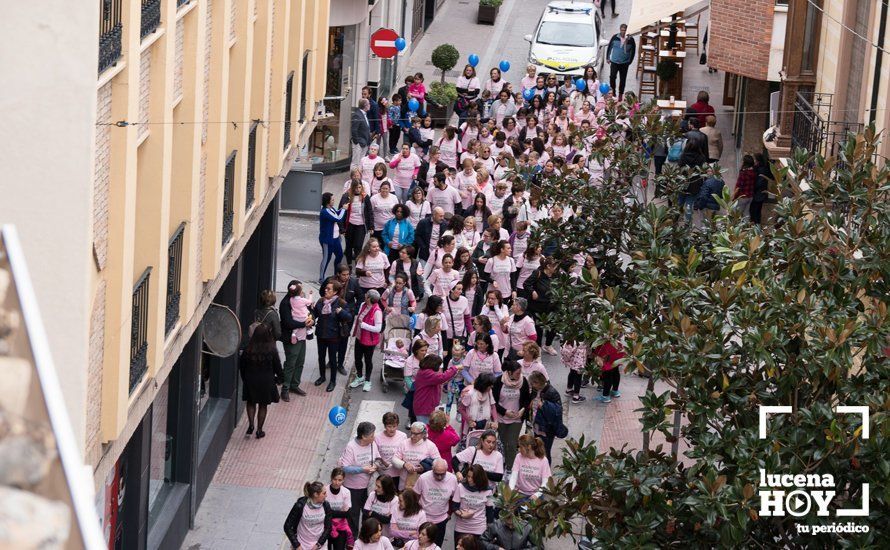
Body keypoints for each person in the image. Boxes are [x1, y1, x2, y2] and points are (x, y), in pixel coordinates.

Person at [239, 324, 282, 439]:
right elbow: (277, 366)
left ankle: (251, 425)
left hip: (251, 379)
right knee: (263, 405)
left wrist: (245, 379)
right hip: (266, 381)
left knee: (251, 402)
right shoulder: (272, 349)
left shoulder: (248, 349)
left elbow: (242, 366)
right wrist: (280, 379)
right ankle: (259, 430)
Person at [339, 422, 381, 536]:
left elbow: (378, 458)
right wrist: (362, 469)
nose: (374, 437)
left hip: (368, 487)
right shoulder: (351, 447)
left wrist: (375, 466)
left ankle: (366, 538)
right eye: (372, 435)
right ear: (363, 436)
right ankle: (352, 541)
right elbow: (345, 468)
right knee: (353, 515)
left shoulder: (372, 444)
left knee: (368, 514)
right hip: (353, 488)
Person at [312, 280, 353, 392]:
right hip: (321, 334)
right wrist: (310, 312)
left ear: (335, 292)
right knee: (321, 357)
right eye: (326, 288)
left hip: (334, 335)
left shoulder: (341, 303)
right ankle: (322, 377)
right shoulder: (321, 301)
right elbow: (314, 314)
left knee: (332, 359)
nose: (325, 290)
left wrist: (341, 312)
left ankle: (332, 381)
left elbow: (349, 317)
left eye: (329, 289)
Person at [493, 360, 530, 470]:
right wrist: (505, 412)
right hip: (501, 417)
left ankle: (511, 468)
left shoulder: (523, 381)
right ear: (509, 372)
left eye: (520, 372)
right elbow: (493, 401)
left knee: (512, 444)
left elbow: (527, 399)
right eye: (517, 373)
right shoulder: (499, 381)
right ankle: (502, 464)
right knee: (503, 443)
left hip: (516, 419)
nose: (519, 375)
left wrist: (522, 410)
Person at [413, 459, 458, 547]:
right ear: (432, 469)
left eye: (442, 474)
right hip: (424, 518)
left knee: (436, 546)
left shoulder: (452, 479)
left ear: (447, 470)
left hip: (441, 520)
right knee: (420, 545)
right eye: (437, 474)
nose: (439, 477)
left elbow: (455, 498)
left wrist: (449, 513)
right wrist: (417, 513)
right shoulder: (423, 478)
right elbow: (416, 496)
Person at [279, 282, 312, 399]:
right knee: (290, 364)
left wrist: (310, 319)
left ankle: (294, 385)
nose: (302, 291)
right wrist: (304, 323)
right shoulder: (285, 303)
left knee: (300, 362)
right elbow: (288, 323)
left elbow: (308, 311)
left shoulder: (298, 300)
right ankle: (285, 389)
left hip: (302, 337)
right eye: (300, 288)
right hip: (291, 338)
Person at [350, 290, 383, 392]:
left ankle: (368, 381)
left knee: (368, 360)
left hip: (370, 341)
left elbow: (378, 329)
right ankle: (360, 377)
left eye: (366, 294)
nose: (364, 295)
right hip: (359, 338)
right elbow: (359, 318)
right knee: (357, 358)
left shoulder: (377, 311)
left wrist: (364, 325)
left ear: (369, 298)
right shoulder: (363, 305)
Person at [392, 422, 441, 490]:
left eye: (415, 434)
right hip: (404, 483)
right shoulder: (404, 443)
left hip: (422, 483)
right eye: (411, 433)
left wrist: (424, 467)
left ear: (423, 434)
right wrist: (404, 464)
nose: (412, 436)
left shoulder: (430, 445)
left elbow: (438, 463)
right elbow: (394, 459)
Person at [284, 481, 333, 549]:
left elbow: (328, 527)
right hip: (302, 545)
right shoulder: (300, 506)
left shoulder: (326, 505)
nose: (326, 495)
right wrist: (297, 545)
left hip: (319, 545)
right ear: (316, 494)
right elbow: (287, 526)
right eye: (324, 493)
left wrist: (319, 544)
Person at [412, 355, 461, 423]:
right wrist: (455, 368)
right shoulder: (427, 373)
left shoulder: (425, 371)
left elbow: (440, 380)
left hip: (426, 406)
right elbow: (442, 377)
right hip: (423, 407)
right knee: (425, 430)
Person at [451, 464, 493, 541]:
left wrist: (490, 530)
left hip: (479, 528)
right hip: (461, 528)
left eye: (473, 478)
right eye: (468, 476)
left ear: (479, 478)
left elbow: (490, 511)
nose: (469, 480)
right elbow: (454, 506)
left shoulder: (488, 491)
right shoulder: (461, 487)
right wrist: (461, 514)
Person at [527, 371, 563, 462]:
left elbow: (557, 411)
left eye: (533, 383)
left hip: (547, 428)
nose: (532, 386)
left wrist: (544, 406)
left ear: (538, 382)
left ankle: (546, 473)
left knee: (545, 451)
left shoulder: (551, 392)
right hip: (536, 425)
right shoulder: (536, 390)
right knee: (537, 449)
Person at [508, 434, 552, 500]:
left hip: (536, 495)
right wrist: (510, 491)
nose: (519, 450)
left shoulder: (543, 460)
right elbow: (514, 476)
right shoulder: (518, 457)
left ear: (528, 447)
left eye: (521, 447)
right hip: (520, 494)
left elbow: (545, 482)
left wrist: (537, 495)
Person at [340, 178, 372, 267]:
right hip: (349, 224)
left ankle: (358, 266)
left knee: (358, 246)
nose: (358, 189)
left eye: (359, 187)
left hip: (361, 225)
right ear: (352, 187)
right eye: (356, 187)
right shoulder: (346, 196)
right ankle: (349, 264)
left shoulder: (365, 197)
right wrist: (341, 228)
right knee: (349, 245)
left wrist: (371, 226)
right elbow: (341, 212)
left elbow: (369, 211)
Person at [319, 192, 346, 283]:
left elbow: (336, 213)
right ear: (328, 201)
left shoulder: (331, 209)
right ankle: (321, 278)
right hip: (327, 239)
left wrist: (342, 209)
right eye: (332, 199)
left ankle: (336, 275)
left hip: (335, 238)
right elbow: (338, 218)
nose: (334, 201)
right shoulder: (325, 211)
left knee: (340, 255)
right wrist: (344, 210)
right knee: (327, 258)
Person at [375, 413, 408, 486]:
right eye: (389, 426)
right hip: (384, 473)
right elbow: (375, 454)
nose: (392, 429)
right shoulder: (377, 437)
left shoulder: (403, 436)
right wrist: (383, 462)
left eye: (394, 426)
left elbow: (405, 452)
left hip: (399, 473)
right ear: (384, 426)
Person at [327, 468, 354, 550]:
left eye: (340, 480)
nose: (337, 483)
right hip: (327, 525)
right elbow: (324, 512)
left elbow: (346, 513)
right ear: (331, 478)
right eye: (335, 479)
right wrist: (340, 512)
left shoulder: (346, 492)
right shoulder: (325, 490)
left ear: (343, 480)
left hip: (341, 526)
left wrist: (331, 512)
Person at [606, 24, 635, 97]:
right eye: (622, 30)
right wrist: (608, 57)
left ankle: (621, 94)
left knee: (623, 79)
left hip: (624, 63)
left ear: (627, 31)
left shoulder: (631, 39)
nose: (623, 32)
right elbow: (610, 47)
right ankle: (613, 92)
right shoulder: (615, 37)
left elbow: (633, 51)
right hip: (614, 61)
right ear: (620, 30)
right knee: (612, 77)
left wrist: (629, 61)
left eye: (624, 30)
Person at [732, 154, 756, 218]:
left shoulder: (743, 173)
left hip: (742, 197)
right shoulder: (753, 172)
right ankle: (746, 226)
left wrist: (734, 197)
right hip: (750, 196)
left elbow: (739, 186)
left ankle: (735, 227)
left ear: (745, 163)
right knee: (746, 214)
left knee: (736, 214)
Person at [750, 153, 771, 225]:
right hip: (758, 194)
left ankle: (756, 227)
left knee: (755, 212)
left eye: (754, 160)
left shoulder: (761, 170)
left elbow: (759, 183)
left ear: (758, 161)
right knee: (756, 211)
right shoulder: (759, 168)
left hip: (758, 195)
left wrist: (752, 187)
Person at [352, 98, 373, 169]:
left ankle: (359, 177)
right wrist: (357, 142)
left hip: (364, 142)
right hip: (359, 143)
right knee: (355, 162)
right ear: (365, 105)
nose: (370, 105)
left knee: (361, 162)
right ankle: (353, 179)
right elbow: (354, 130)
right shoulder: (357, 115)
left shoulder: (364, 114)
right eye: (369, 104)